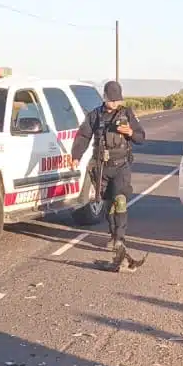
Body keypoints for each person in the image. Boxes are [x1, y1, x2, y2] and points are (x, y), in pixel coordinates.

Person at [71, 81, 146, 270]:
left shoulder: (127, 113)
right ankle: (114, 236)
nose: (115, 103)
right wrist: (76, 156)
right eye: (112, 100)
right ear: (105, 98)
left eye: (117, 100)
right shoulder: (95, 115)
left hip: (121, 165)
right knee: (108, 204)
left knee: (120, 199)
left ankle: (120, 240)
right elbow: (83, 136)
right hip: (102, 167)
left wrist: (130, 132)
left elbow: (141, 137)